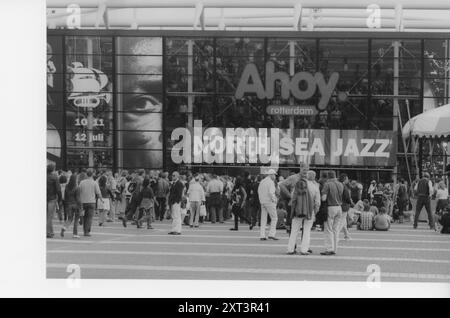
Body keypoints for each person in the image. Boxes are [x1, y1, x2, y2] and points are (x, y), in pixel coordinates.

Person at [287, 168, 321, 255]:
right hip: (310, 211)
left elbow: (293, 197)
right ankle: (304, 250)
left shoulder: (299, 184)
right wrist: (315, 212)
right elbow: (317, 202)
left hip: (297, 210)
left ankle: (290, 249)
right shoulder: (315, 186)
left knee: (294, 230)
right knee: (307, 231)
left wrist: (294, 209)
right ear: (314, 177)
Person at [320, 170, 344, 256]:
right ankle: (335, 248)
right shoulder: (340, 184)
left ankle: (329, 249)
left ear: (328, 177)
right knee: (335, 229)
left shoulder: (327, 184)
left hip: (331, 207)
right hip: (339, 208)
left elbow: (323, 198)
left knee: (328, 229)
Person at [78, 169, 102, 237]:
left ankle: (81, 218)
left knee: (84, 216)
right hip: (91, 202)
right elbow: (98, 193)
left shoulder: (82, 182)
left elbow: (78, 191)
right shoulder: (94, 183)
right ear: (92, 175)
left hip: (83, 202)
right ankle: (86, 232)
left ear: (86, 174)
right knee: (89, 218)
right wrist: (101, 200)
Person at [258, 169, 278, 240]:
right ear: (271, 175)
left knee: (263, 219)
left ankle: (262, 235)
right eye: (274, 175)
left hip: (262, 202)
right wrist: (274, 200)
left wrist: (261, 200)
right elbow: (271, 193)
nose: (275, 177)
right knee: (274, 218)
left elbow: (259, 192)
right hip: (269, 202)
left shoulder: (262, 181)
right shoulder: (271, 182)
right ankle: (271, 234)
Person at [60, 174, 80, 238]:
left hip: (68, 204)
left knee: (70, 219)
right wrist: (80, 206)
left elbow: (65, 197)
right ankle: (75, 234)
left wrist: (66, 204)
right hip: (76, 205)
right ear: (75, 180)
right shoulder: (77, 187)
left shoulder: (66, 187)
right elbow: (78, 198)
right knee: (76, 219)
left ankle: (64, 227)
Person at [47, 164, 62, 238]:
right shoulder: (54, 177)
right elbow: (58, 189)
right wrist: (60, 199)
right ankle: (49, 233)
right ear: (53, 169)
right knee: (49, 216)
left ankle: (50, 232)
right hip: (52, 199)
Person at [339, 173, 352, 241]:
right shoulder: (344, 186)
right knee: (342, 221)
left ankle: (346, 235)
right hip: (344, 206)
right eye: (347, 179)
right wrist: (350, 202)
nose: (348, 180)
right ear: (344, 179)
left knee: (344, 221)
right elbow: (347, 197)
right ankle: (336, 234)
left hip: (341, 205)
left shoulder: (339, 185)